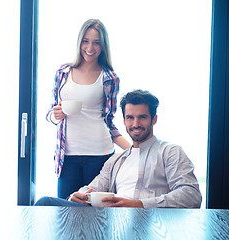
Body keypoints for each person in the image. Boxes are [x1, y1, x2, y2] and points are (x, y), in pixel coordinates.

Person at [36, 89, 202, 208]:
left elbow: (191, 195)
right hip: (111, 220)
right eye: (130, 117)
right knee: (46, 203)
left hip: (151, 221)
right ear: (124, 120)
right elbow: (95, 187)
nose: (135, 124)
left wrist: (139, 205)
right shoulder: (116, 160)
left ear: (154, 119)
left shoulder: (170, 152)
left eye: (142, 117)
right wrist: (78, 195)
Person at [46, 19, 131, 199]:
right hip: (67, 156)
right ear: (79, 42)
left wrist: (134, 150)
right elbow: (50, 112)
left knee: (96, 215)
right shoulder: (63, 73)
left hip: (99, 154)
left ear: (103, 46)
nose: (90, 47)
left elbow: (108, 121)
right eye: (86, 41)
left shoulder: (110, 78)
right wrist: (55, 116)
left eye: (96, 42)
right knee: (65, 212)